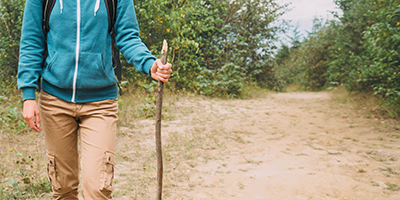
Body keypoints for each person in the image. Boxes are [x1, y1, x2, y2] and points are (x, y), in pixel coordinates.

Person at [17, 0, 172, 199]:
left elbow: (128, 37)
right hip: (55, 100)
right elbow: (32, 39)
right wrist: (28, 93)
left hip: (100, 103)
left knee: (97, 189)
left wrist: (149, 64)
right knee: (63, 188)